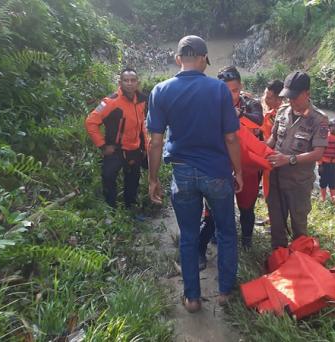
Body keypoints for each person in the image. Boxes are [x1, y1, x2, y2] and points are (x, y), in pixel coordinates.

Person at [146, 35, 243, 313]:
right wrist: (239, 172)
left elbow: (155, 141)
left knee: (188, 235)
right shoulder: (219, 90)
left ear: (178, 59)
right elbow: (232, 138)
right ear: (203, 59)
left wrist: (153, 179)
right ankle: (225, 291)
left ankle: (192, 298)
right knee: (226, 231)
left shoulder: (160, 91)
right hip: (217, 173)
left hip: (183, 174)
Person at [266, 71, 329, 249]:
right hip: (276, 179)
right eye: (288, 97)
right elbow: (273, 140)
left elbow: (318, 153)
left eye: (295, 97)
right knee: (276, 223)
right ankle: (278, 259)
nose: (291, 101)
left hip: (298, 184)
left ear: (307, 93)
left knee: (299, 225)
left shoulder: (319, 119)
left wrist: (288, 159)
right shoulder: (282, 112)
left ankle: (301, 261)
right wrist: (259, 149)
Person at [85, 68, 148, 209]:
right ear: (120, 82)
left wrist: (145, 146)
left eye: (133, 80)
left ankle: (130, 209)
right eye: (126, 80)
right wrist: (102, 145)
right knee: (108, 178)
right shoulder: (110, 102)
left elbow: (142, 126)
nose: (130, 84)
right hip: (115, 150)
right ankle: (110, 210)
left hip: (134, 149)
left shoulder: (142, 100)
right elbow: (90, 122)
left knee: (132, 181)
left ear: (137, 82)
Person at [217, 66, 263, 249]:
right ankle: (217, 238)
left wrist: (239, 113)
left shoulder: (250, 104)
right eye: (226, 92)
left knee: (246, 206)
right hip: (220, 164)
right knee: (216, 208)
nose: (231, 96)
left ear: (241, 87)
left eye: (235, 91)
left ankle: (246, 240)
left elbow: (259, 120)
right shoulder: (211, 105)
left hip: (248, 166)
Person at [318, 118, 335, 204]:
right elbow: (320, 151)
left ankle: (334, 200)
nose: (334, 128)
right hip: (325, 164)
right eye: (332, 126)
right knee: (323, 181)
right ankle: (322, 198)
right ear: (328, 127)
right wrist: (320, 164)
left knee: (333, 182)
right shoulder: (325, 137)